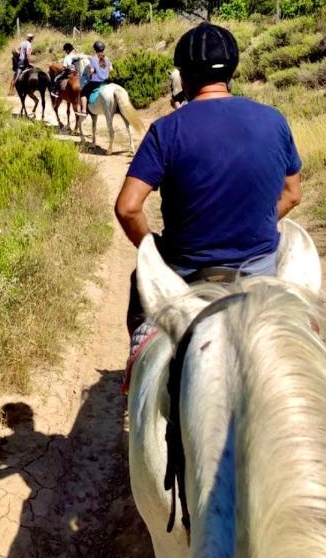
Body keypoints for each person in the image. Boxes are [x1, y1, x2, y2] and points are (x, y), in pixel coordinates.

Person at [114, 23, 302, 335]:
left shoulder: (167, 129)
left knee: (141, 302)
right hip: (259, 268)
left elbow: (127, 208)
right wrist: (257, 222)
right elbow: (293, 194)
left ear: (183, 76)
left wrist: (153, 247)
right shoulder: (274, 120)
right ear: (232, 70)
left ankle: (135, 376)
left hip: (187, 270)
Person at [79, 40, 112, 115]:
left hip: (95, 83)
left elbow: (91, 70)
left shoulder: (93, 59)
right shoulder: (106, 58)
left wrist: (92, 72)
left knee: (83, 92)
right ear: (103, 49)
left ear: (95, 49)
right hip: (105, 82)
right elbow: (111, 69)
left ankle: (84, 110)